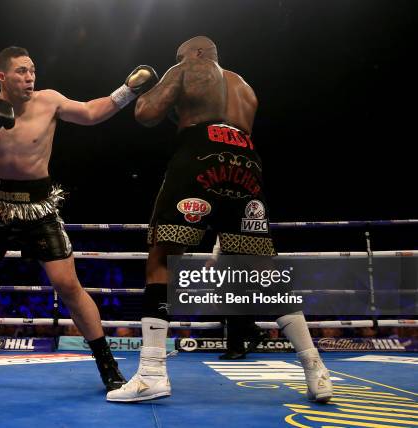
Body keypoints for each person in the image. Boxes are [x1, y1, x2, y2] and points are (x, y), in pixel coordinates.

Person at [0, 46, 158, 390]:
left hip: (39, 207)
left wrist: (129, 91)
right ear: (2, 77)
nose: (30, 77)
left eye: (32, 70)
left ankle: (108, 367)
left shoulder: (49, 101)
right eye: (21, 71)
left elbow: (92, 113)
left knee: (67, 285)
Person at [107, 36, 333, 403]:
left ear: (196, 54)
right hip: (246, 164)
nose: (177, 62)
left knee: (163, 258)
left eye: (178, 56)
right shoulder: (245, 87)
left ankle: (151, 373)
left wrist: (145, 89)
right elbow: (213, 123)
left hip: (199, 160)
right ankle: (316, 370)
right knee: (262, 270)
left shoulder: (187, 68)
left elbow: (146, 115)